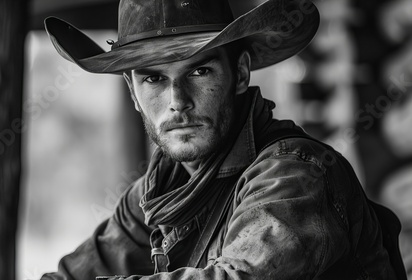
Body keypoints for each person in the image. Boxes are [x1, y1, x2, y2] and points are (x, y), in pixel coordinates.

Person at [41, 0, 406, 279]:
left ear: (241, 73)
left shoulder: (296, 176)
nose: (177, 102)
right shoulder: (159, 190)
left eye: (199, 71)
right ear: (133, 94)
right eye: (153, 79)